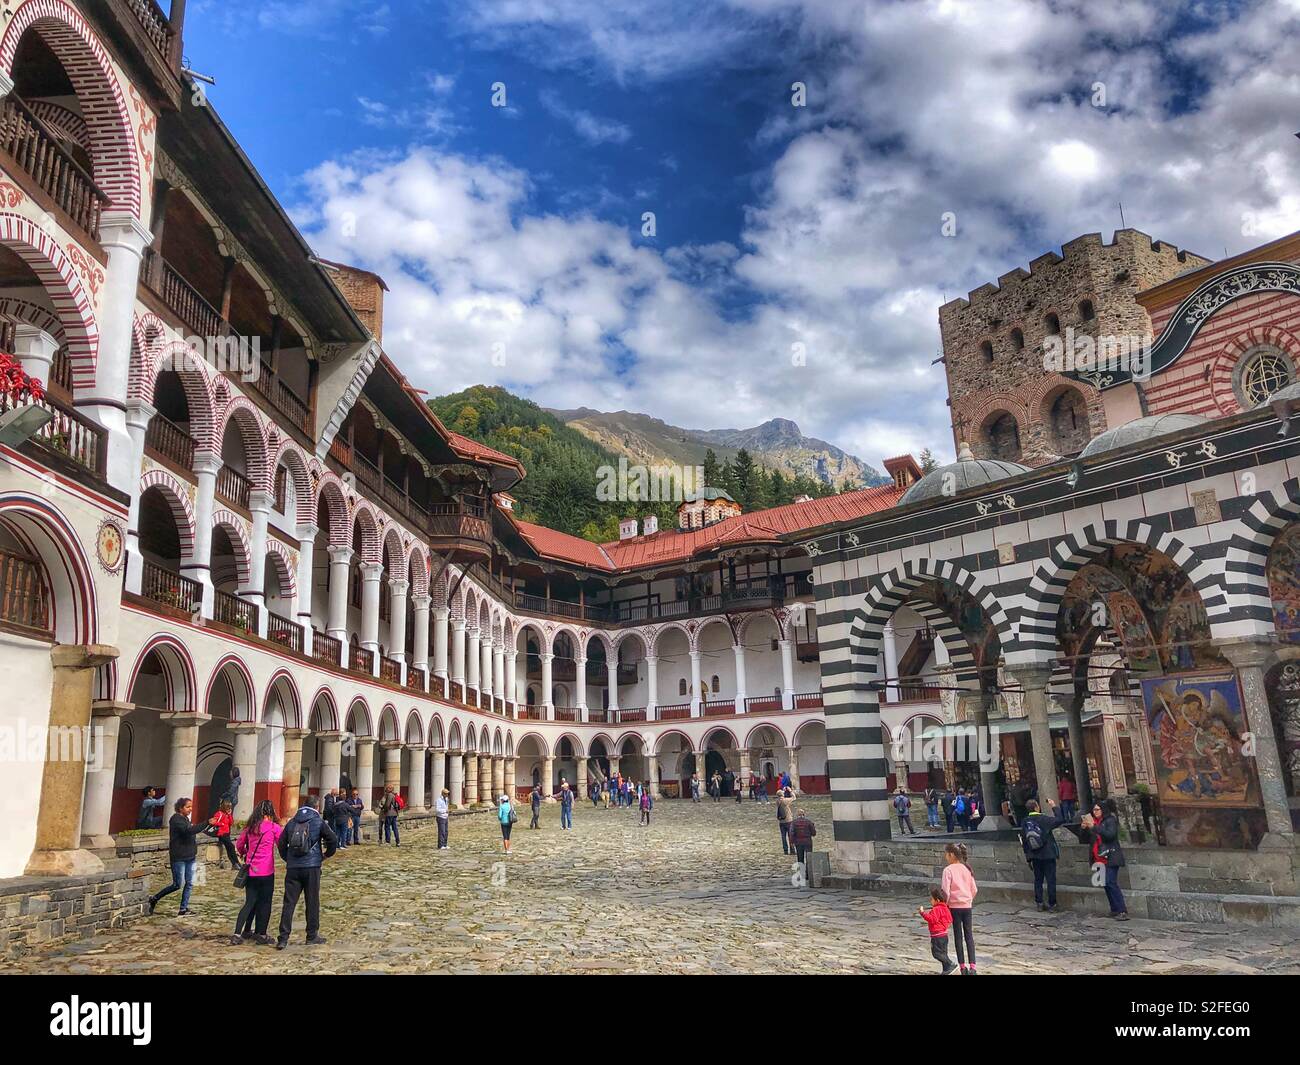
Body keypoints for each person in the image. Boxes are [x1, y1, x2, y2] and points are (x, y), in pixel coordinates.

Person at [275, 794, 338, 949]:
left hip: (293, 868)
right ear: (317, 806)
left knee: (289, 903)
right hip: (312, 867)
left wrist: (288, 858)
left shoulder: (292, 822)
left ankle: (283, 937)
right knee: (312, 901)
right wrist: (325, 855)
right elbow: (333, 839)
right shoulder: (318, 821)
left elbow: (281, 843)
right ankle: (311, 935)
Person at [147, 798, 214, 916]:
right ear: (180, 808)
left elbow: (193, 830)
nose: (190, 809)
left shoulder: (185, 819)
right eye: (188, 807)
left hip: (190, 855)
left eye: (191, 807)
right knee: (177, 884)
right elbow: (189, 831)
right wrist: (207, 822)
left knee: (189, 883)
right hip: (179, 857)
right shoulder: (176, 820)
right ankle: (155, 898)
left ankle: (183, 908)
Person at [232, 799, 282, 945]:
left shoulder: (250, 828)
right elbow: (282, 843)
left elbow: (240, 845)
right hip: (266, 871)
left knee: (249, 902)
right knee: (265, 903)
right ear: (270, 812)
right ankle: (261, 933)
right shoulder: (273, 828)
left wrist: (246, 853)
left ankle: (238, 932)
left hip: (251, 870)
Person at [1077, 799, 1128, 920]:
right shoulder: (1093, 822)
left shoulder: (1110, 820)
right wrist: (1083, 828)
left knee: (1111, 882)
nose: (1095, 812)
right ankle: (1114, 909)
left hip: (1110, 856)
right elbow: (1084, 839)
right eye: (1093, 810)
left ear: (1103, 810)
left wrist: (1095, 827)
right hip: (1098, 857)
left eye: (1097, 809)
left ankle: (1122, 910)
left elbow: (1110, 835)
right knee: (1105, 884)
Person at [1019, 798, 1066, 912]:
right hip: (1048, 854)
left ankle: (1039, 903)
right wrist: (1054, 806)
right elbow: (1060, 819)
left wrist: (1028, 857)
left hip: (1034, 855)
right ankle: (1052, 904)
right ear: (1037, 807)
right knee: (1050, 879)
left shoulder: (1025, 822)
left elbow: (1024, 840)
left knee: (1038, 879)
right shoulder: (1044, 819)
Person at [941, 842, 978, 974]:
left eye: (946, 853)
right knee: (969, 935)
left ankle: (962, 966)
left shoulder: (948, 870)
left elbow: (946, 891)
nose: (945, 856)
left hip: (954, 907)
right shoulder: (967, 868)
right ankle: (973, 966)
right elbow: (974, 889)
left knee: (958, 936)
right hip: (967, 906)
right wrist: (968, 899)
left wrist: (946, 904)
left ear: (951, 855)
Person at [917, 887, 957, 975]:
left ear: (937, 900)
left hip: (937, 936)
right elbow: (950, 919)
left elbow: (932, 919)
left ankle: (950, 964)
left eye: (931, 899)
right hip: (944, 935)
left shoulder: (937, 909)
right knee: (943, 953)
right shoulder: (946, 908)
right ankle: (946, 969)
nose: (930, 901)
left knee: (936, 953)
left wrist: (922, 913)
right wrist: (944, 925)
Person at [211, 799, 240, 870]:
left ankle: (234, 864)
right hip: (222, 834)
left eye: (230, 808)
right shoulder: (219, 813)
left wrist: (229, 815)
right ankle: (236, 863)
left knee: (229, 848)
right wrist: (222, 824)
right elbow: (213, 822)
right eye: (227, 807)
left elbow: (231, 823)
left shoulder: (227, 814)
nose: (229, 809)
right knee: (231, 847)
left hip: (227, 833)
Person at [776, 786, 795, 854]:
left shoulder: (777, 801)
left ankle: (785, 850)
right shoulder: (785, 801)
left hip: (781, 821)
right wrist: (790, 791)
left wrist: (783, 791)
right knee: (790, 836)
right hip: (788, 820)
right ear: (782, 795)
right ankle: (792, 849)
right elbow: (794, 797)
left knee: (783, 836)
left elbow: (779, 795)